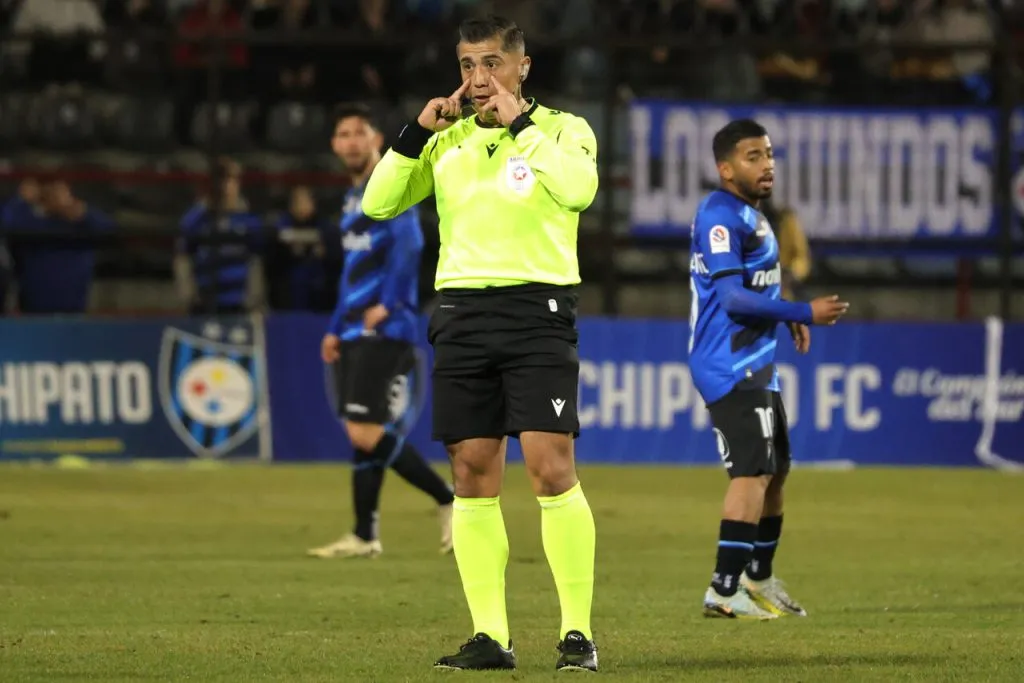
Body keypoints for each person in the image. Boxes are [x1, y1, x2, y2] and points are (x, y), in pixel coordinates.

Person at [361, 15, 600, 673]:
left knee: (551, 467)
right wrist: (415, 132)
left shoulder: (563, 129)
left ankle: (577, 633)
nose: (476, 78)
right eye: (467, 64)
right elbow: (376, 205)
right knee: (470, 471)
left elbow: (580, 189)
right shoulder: (447, 141)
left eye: (491, 62)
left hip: (537, 310)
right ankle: (491, 636)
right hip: (462, 313)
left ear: (522, 66)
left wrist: (520, 123)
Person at [688, 119, 849, 620]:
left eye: (769, 154)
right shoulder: (719, 215)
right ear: (726, 167)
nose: (767, 165)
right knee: (752, 472)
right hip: (727, 361)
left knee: (776, 471)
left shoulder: (753, 215)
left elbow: (756, 285)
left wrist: (785, 309)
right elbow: (732, 297)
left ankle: (758, 577)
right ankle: (723, 588)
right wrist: (804, 314)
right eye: (753, 156)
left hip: (757, 359)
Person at [307, 104, 456, 560]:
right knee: (365, 433)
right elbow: (353, 271)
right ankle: (364, 534)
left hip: (386, 327)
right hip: (354, 329)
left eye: (359, 132)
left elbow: (410, 243)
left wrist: (390, 304)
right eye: (343, 133)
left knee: (364, 431)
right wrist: (335, 327)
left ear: (377, 139)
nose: (351, 141)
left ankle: (449, 499)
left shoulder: (391, 185)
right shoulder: (352, 198)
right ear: (335, 144)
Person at [177, 158, 264, 314]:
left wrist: (254, 301)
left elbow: (255, 262)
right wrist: (189, 298)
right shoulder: (195, 219)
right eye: (223, 179)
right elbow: (183, 259)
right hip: (204, 305)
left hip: (239, 307)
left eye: (233, 180)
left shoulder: (250, 221)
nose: (227, 186)